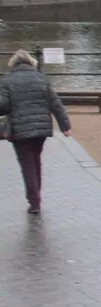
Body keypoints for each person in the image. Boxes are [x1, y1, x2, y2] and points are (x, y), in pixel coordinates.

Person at [0, 49, 72, 214]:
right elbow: (56, 104)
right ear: (31, 62)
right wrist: (65, 126)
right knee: (36, 161)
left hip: (19, 129)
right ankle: (36, 195)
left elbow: (2, 106)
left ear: (13, 63)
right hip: (41, 128)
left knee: (27, 164)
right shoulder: (42, 79)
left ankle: (34, 201)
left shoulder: (6, 80)